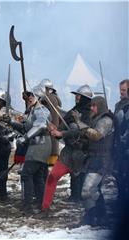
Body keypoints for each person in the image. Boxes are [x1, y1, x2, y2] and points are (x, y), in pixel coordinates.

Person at [38, 84, 93, 218]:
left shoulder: (90, 114)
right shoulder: (73, 111)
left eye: (79, 96)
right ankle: (45, 209)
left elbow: (82, 131)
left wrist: (62, 133)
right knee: (52, 177)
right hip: (68, 153)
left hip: (83, 154)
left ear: (85, 98)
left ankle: (92, 215)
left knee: (89, 188)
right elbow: (62, 127)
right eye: (76, 96)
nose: (77, 98)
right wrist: (54, 129)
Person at [13, 85, 52, 215]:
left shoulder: (41, 110)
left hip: (40, 145)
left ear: (39, 97)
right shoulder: (32, 111)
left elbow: (41, 125)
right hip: (35, 145)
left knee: (26, 174)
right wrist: (11, 123)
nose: (30, 97)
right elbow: (26, 128)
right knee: (36, 177)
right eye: (29, 95)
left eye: (32, 95)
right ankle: (42, 204)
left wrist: (25, 138)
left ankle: (28, 205)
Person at [76, 96, 114, 226]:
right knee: (93, 190)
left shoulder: (106, 120)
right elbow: (90, 138)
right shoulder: (95, 119)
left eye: (94, 106)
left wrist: (80, 124)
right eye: (91, 105)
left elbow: (96, 135)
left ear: (100, 106)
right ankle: (97, 217)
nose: (91, 108)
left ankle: (93, 217)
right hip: (93, 158)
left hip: (102, 159)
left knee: (87, 190)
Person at [113, 79, 129, 204]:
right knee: (119, 175)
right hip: (119, 146)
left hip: (126, 144)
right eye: (121, 90)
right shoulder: (118, 105)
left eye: (124, 90)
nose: (121, 92)